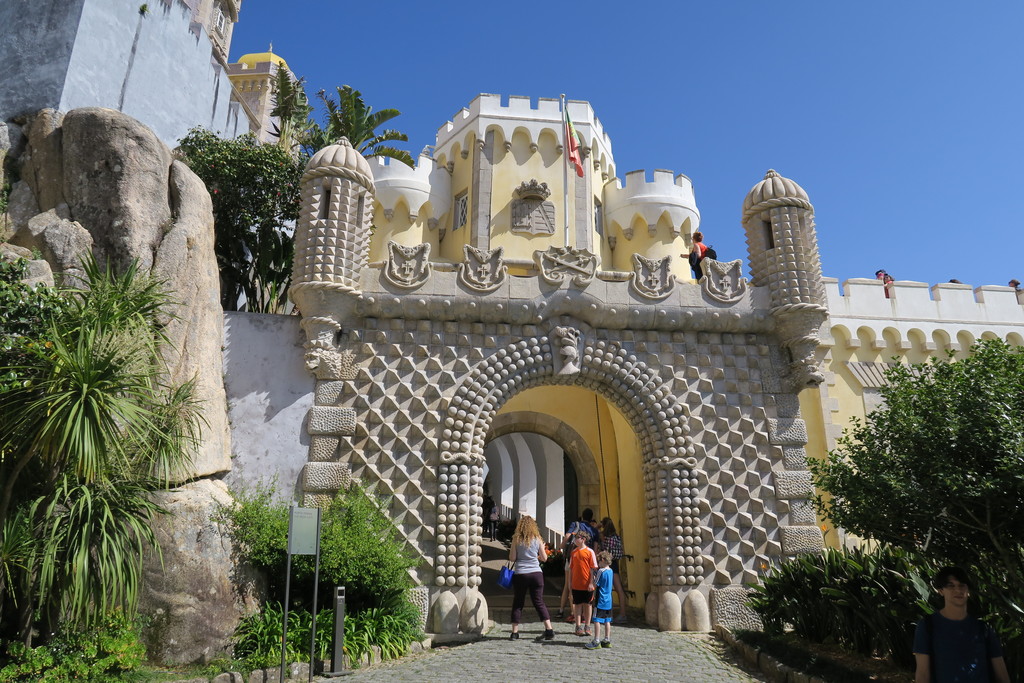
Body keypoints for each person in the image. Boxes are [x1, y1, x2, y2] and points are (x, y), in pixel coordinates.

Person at [912, 566, 1010, 683]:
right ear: (941, 590)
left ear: (968, 590)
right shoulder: (928, 626)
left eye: (962, 585)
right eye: (951, 586)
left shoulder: (983, 629)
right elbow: (922, 675)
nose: (958, 590)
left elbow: (1001, 673)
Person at [507, 515, 554, 642]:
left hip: (521, 573)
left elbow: (512, 558)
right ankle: (549, 629)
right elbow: (544, 558)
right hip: (536, 574)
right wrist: (536, 555)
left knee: (518, 602)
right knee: (539, 602)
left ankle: (514, 633)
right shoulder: (538, 539)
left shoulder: (516, 539)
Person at [598, 517, 628, 623]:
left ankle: (606, 614)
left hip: (605, 564)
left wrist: (598, 526)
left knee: (605, 590)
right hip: (614, 563)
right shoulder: (616, 537)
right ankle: (623, 613)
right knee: (619, 589)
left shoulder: (603, 537)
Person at [568, 530, 597, 637]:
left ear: (583, 539)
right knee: (577, 605)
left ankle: (588, 625)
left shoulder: (590, 552)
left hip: (587, 584)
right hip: (576, 584)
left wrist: (591, 582)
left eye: (577, 538)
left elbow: (593, 568)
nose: (575, 540)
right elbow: (571, 569)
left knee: (588, 605)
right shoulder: (574, 552)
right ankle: (578, 626)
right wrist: (570, 583)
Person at [585, 550, 615, 649]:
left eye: (599, 561)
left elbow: (595, 584)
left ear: (602, 560)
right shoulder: (610, 571)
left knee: (597, 619)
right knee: (607, 620)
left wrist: (592, 574)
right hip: (609, 599)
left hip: (600, 599)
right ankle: (607, 639)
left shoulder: (601, 571)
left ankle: (596, 640)